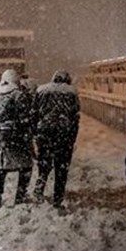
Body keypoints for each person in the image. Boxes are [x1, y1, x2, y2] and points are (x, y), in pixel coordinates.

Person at [0, 69, 36, 210]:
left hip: (0, 138)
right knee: (25, 165)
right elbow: (25, 118)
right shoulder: (19, 95)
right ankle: (20, 195)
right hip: (17, 137)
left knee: (0, 168)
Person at [32, 70, 80, 211]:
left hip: (45, 133)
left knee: (44, 163)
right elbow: (75, 118)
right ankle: (57, 198)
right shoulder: (71, 93)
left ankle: (39, 188)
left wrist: (36, 133)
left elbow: (34, 113)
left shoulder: (41, 90)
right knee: (61, 167)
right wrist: (72, 138)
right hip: (63, 135)